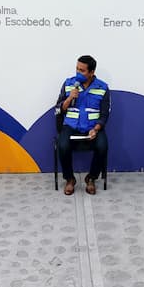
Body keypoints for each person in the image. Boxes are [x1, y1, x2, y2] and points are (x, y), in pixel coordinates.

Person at [56, 55, 110, 195]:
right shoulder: (69, 84)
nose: (78, 73)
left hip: (92, 127)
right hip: (71, 126)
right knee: (62, 145)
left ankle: (91, 178)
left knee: (102, 146)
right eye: (77, 69)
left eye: (82, 70)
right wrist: (69, 99)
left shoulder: (102, 87)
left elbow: (104, 115)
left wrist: (96, 129)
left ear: (91, 72)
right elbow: (58, 109)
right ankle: (69, 179)